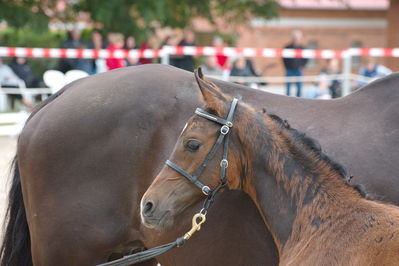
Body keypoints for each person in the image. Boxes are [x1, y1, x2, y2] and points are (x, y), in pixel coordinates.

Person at [282, 30, 308, 97]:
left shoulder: (303, 48)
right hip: (289, 69)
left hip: (298, 70)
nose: (296, 39)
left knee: (299, 88)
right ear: (292, 38)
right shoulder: (287, 47)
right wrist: (286, 67)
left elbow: (306, 59)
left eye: (298, 37)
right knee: (288, 88)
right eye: (295, 37)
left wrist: (302, 66)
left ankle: (298, 101)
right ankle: (287, 101)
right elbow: (284, 59)